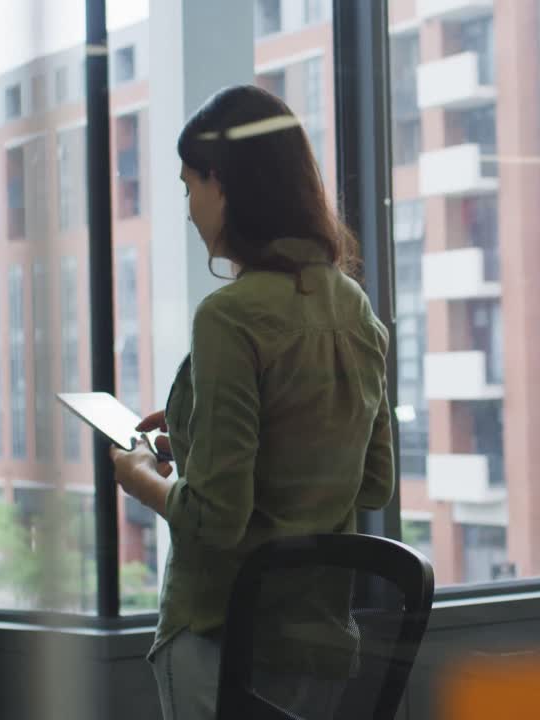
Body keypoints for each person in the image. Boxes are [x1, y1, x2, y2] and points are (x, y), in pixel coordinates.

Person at [109, 85, 395, 720]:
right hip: (318, 645)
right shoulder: (354, 309)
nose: (189, 211)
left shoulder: (229, 318)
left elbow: (218, 518)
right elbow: (372, 481)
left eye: (189, 186)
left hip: (224, 636)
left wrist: (140, 477)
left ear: (222, 183)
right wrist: (195, 438)